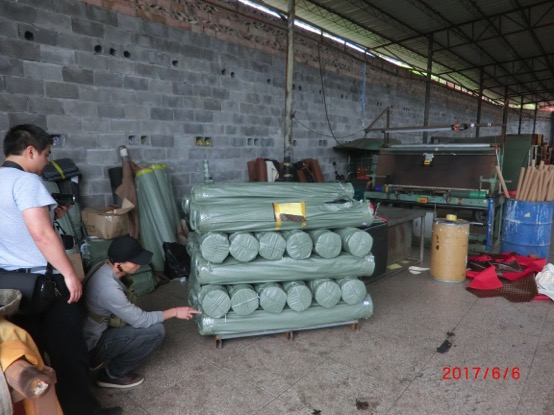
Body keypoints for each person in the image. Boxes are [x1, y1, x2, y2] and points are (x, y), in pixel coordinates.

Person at [0, 124, 122, 415]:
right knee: (69, 351)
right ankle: (84, 411)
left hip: (11, 284)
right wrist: (68, 273)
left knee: (34, 352)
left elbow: (14, 224)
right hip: (45, 283)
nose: (46, 162)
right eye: (46, 154)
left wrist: (51, 212)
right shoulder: (27, 181)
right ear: (31, 151)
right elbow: (42, 235)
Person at [83, 235, 201, 388]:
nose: (139, 265)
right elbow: (141, 320)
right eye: (135, 262)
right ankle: (112, 374)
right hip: (91, 344)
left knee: (139, 318)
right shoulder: (109, 289)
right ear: (119, 264)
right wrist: (175, 311)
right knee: (156, 331)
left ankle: (95, 360)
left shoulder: (102, 266)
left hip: (88, 332)